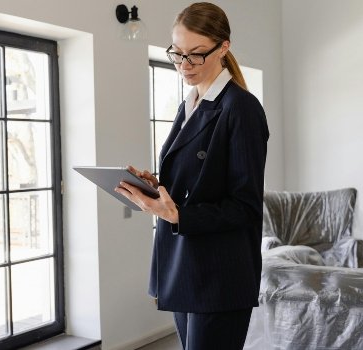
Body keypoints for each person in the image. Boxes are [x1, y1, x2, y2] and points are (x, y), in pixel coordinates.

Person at [114, 2, 269, 349]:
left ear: (223, 47)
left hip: (218, 273)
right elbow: (199, 182)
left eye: (196, 54)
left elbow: (245, 207)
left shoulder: (241, 108)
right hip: (185, 265)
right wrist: (157, 187)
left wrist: (177, 213)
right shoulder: (190, 103)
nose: (185, 65)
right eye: (178, 53)